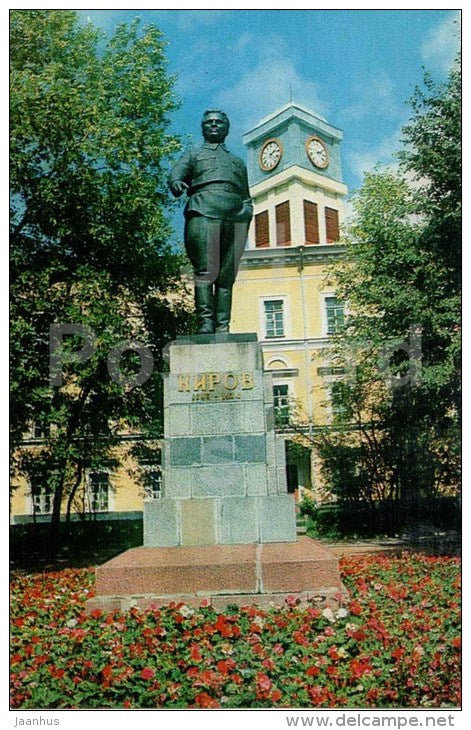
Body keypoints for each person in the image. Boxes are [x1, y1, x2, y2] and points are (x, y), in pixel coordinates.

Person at [168, 110, 253, 333]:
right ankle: (205, 323)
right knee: (206, 271)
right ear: (203, 127)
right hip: (204, 210)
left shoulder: (237, 162)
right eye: (209, 122)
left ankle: (223, 326)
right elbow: (176, 175)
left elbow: (246, 195)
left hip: (235, 217)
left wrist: (246, 212)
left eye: (219, 122)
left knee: (226, 276)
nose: (214, 125)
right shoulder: (193, 155)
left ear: (227, 127)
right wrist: (176, 183)